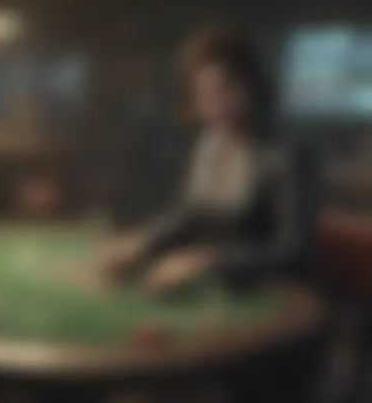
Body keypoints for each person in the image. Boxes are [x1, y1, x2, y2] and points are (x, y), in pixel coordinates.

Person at [100, 25, 300, 293]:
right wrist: (143, 241)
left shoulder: (287, 153)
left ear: (253, 84)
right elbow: (193, 213)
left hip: (281, 292)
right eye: (204, 95)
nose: (215, 107)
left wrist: (207, 260)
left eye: (225, 90)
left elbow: (291, 250)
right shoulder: (211, 141)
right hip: (219, 285)